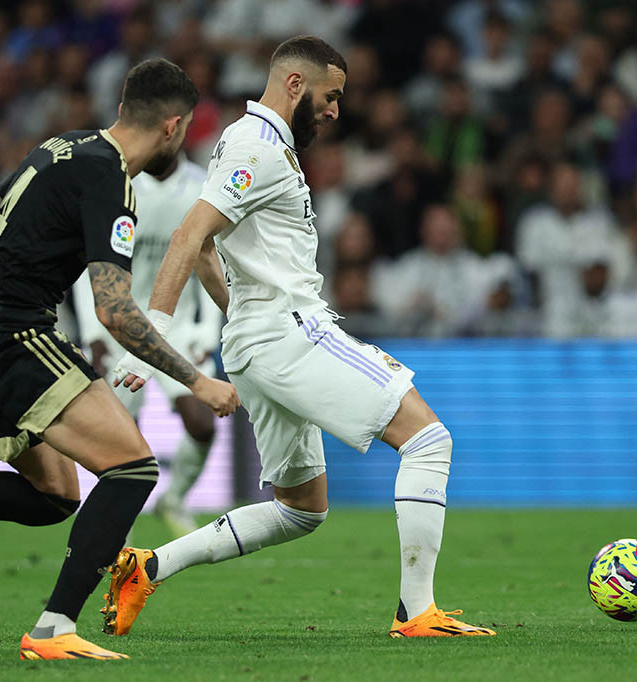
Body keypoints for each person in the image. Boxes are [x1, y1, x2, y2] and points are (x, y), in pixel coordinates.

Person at [0, 58, 239, 662]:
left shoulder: (62, 146)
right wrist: (197, 380)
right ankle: (54, 627)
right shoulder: (112, 180)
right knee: (132, 467)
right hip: (15, 339)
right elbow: (114, 310)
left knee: (54, 497)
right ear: (174, 126)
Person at [102, 36, 496, 639]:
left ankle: (149, 566)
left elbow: (209, 245)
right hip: (288, 333)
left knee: (299, 509)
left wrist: (242, 318)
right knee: (428, 441)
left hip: (261, 339)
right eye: (330, 95)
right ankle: (417, 613)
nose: (336, 110)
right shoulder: (258, 148)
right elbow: (188, 235)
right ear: (294, 85)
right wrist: (155, 326)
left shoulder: (248, 143)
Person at [71, 152, 221, 536]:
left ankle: (173, 499)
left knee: (203, 423)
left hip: (179, 328)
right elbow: (88, 265)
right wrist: (94, 336)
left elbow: (212, 255)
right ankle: (123, 521)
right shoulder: (120, 188)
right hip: (122, 328)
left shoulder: (201, 185)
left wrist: (209, 328)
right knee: (123, 434)